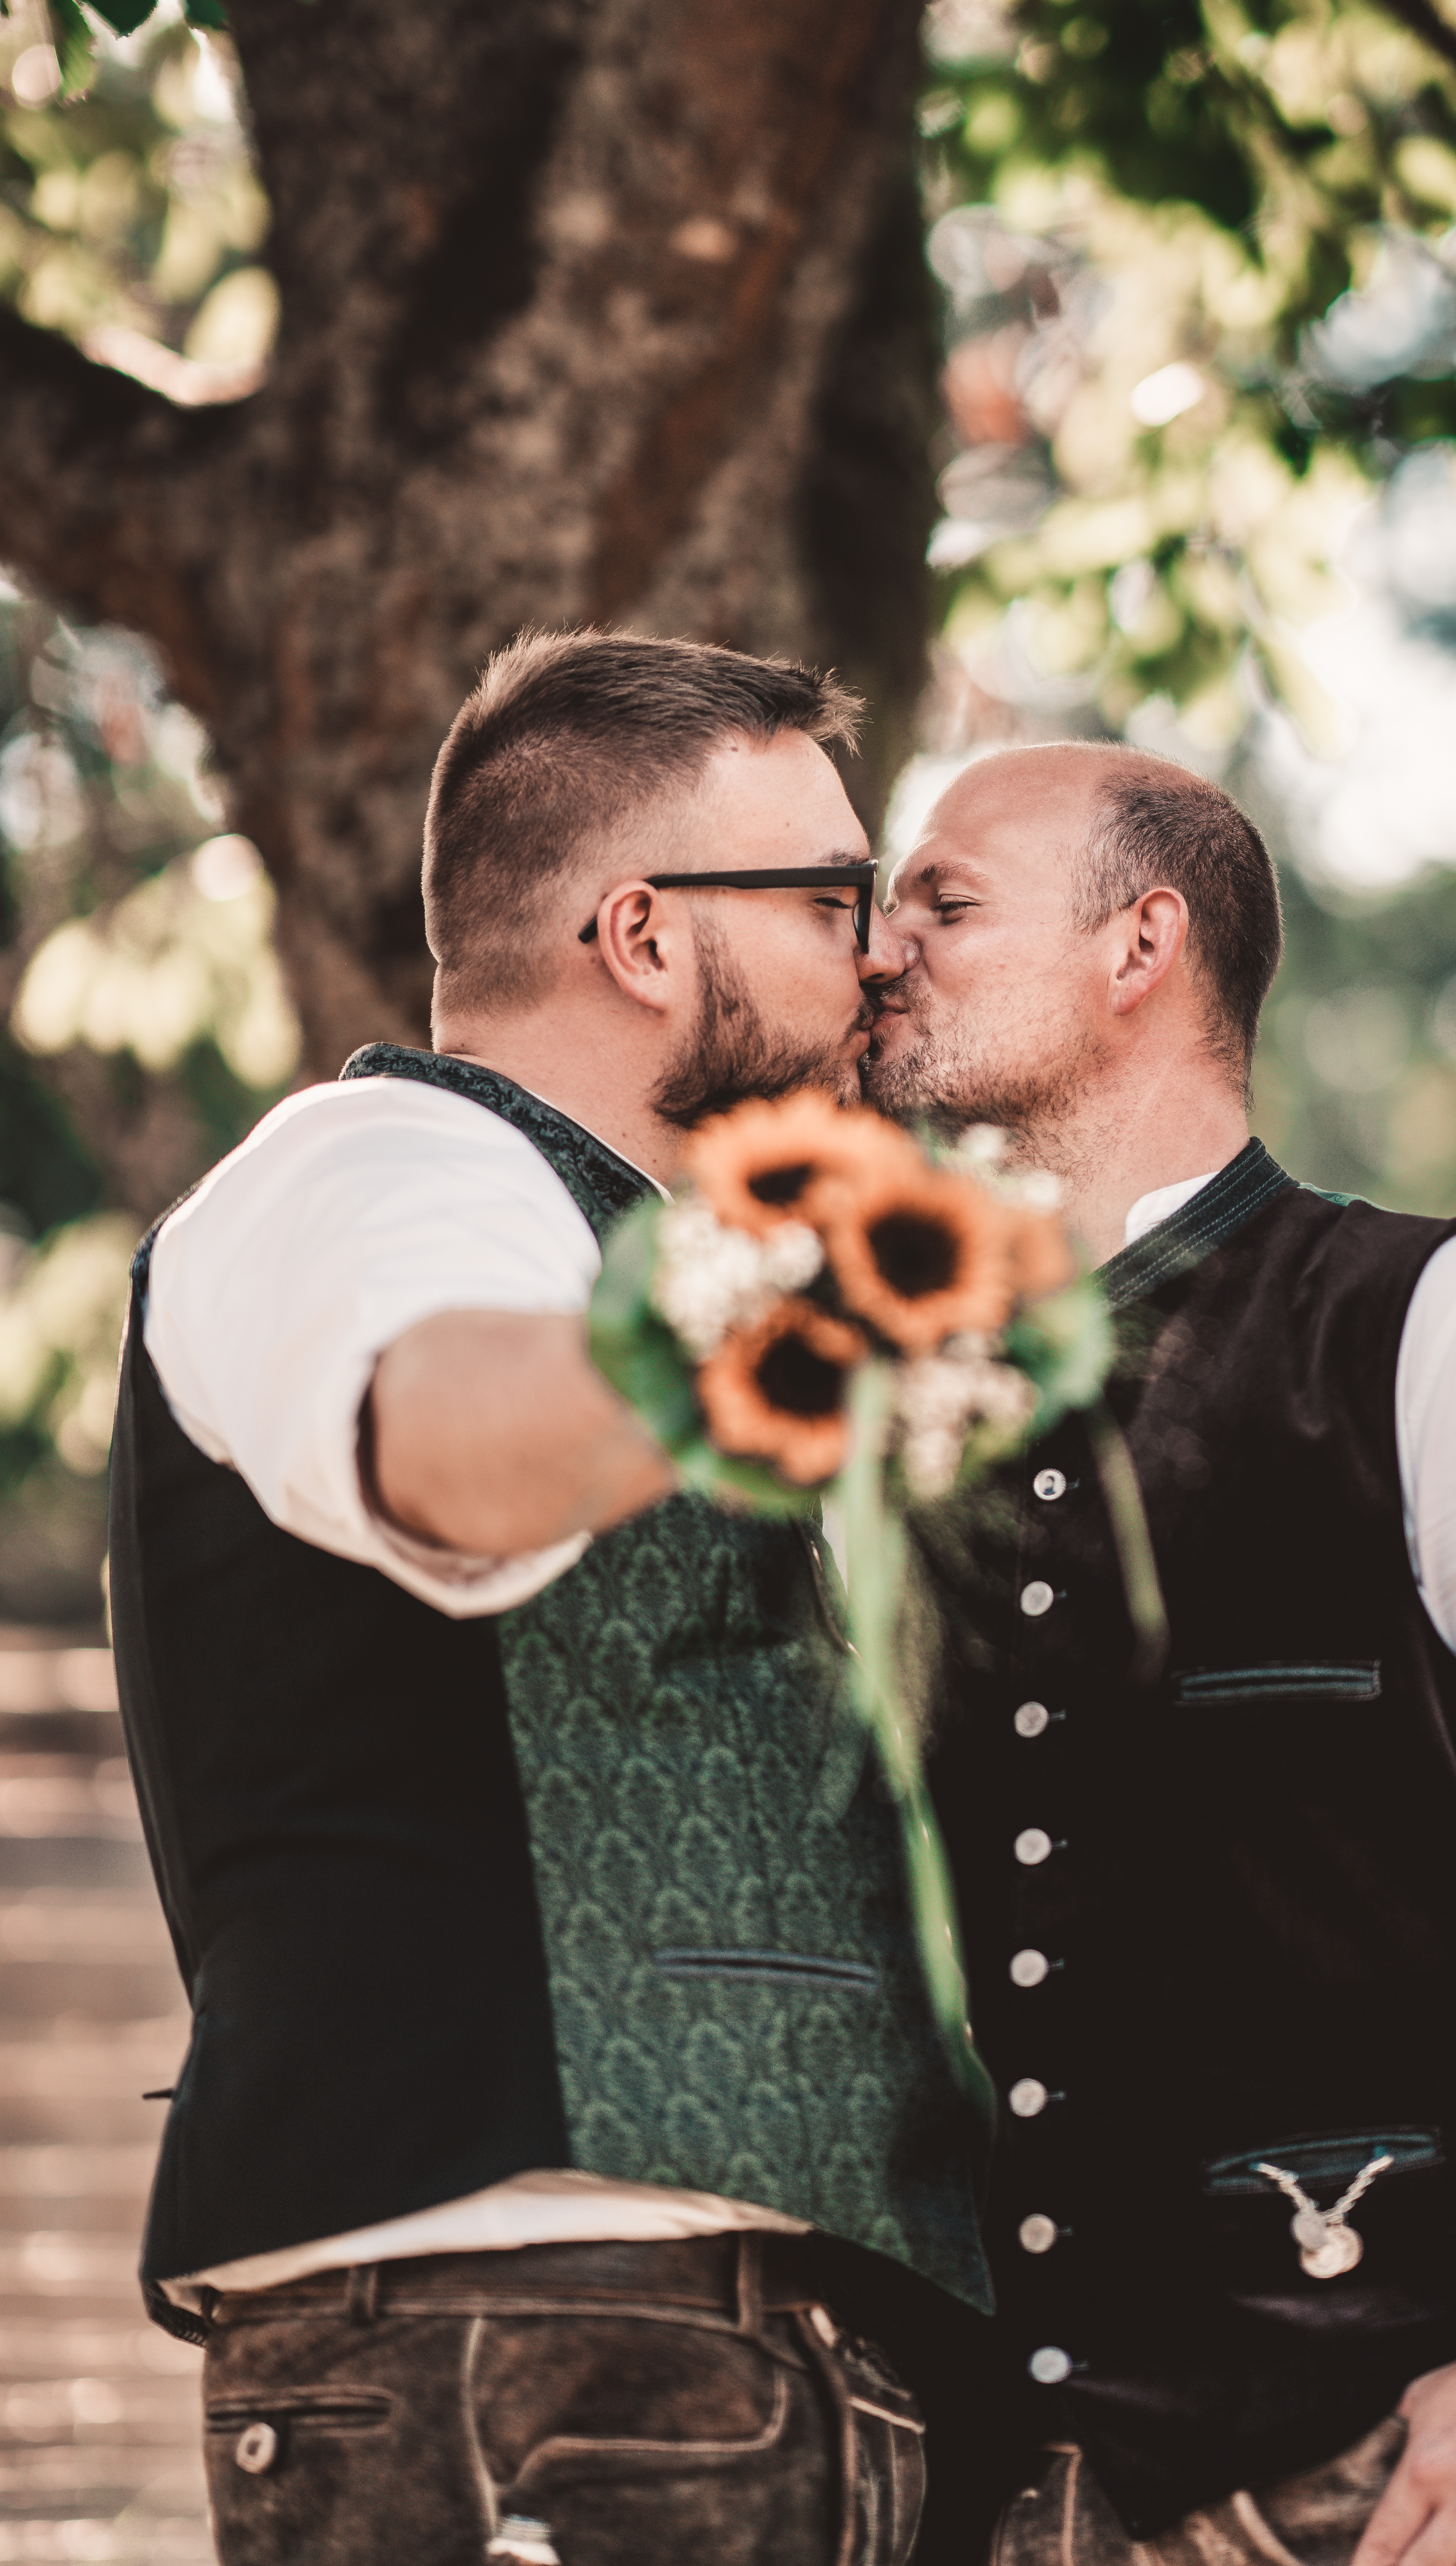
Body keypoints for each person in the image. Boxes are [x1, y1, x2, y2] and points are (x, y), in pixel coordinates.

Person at [108, 630, 989, 2566]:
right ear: (647, 936)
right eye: (836, 897)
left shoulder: (658, 1244)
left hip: (731, 2358)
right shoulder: (386, 1163)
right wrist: (761, 1326)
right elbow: (442, 1429)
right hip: (524, 2351)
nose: (881, 956)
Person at [858, 742, 1456, 2566]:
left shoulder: (1449, 1329)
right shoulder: (895, 1433)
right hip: (1023, 2490)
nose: (881, 952)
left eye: (944, 904)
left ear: (1145, 944)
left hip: (1427, 2475)